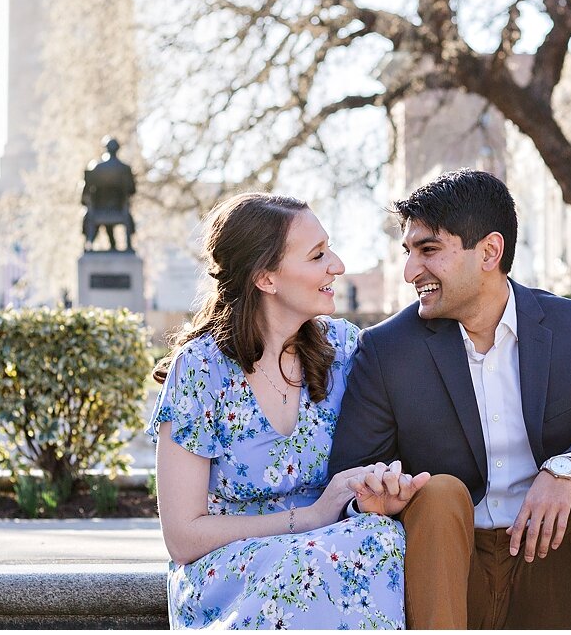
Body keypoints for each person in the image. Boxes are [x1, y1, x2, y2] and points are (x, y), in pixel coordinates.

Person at [328, 169, 571, 629]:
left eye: (429, 250)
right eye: (408, 252)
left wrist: (563, 469)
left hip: (552, 568)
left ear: (489, 251)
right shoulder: (387, 350)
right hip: (448, 572)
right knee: (440, 491)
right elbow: (350, 476)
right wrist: (375, 494)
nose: (411, 271)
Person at [147, 192, 428, 629]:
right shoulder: (200, 369)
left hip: (334, 546)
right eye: (317, 256)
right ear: (266, 278)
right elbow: (182, 537)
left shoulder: (345, 350)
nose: (337, 265)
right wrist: (311, 517)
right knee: (300, 567)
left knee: (380, 540)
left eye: (328, 248)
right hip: (231, 571)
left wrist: (373, 492)